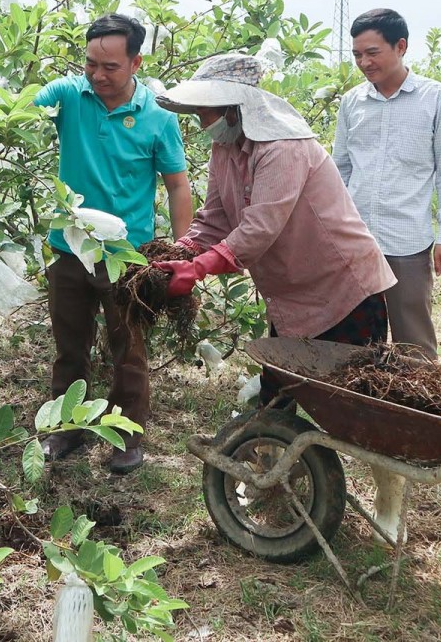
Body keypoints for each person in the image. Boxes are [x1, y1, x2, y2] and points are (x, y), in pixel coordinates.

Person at [148, 51, 406, 541]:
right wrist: (182, 249)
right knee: (278, 395)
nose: (200, 121)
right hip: (290, 295)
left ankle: (389, 501)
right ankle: (273, 480)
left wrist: (199, 268)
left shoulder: (282, 146)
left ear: (234, 108)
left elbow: (260, 227)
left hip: (343, 288)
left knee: (361, 405)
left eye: (206, 110)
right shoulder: (227, 150)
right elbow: (217, 217)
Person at [32, 14, 193, 474]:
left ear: (136, 61)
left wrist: (183, 253)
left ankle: (126, 435)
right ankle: (67, 427)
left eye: (110, 67)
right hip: (68, 248)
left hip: (128, 256)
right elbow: (22, 109)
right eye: (90, 64)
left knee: (129, 347)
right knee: (70, 344)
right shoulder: (67, 95)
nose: (98, 75)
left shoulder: (159, 116)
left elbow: (177, 186)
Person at [332, 8, 441, 360]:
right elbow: (340, 168)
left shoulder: (437, 99)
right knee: (354, 339)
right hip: (356, 239)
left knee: (414, 345)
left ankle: (419, 413)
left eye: (372, 52)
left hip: (407, 240)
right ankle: (359, 410)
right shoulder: (352, 103)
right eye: (357, 54)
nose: (364, 62)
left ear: (401, 46)